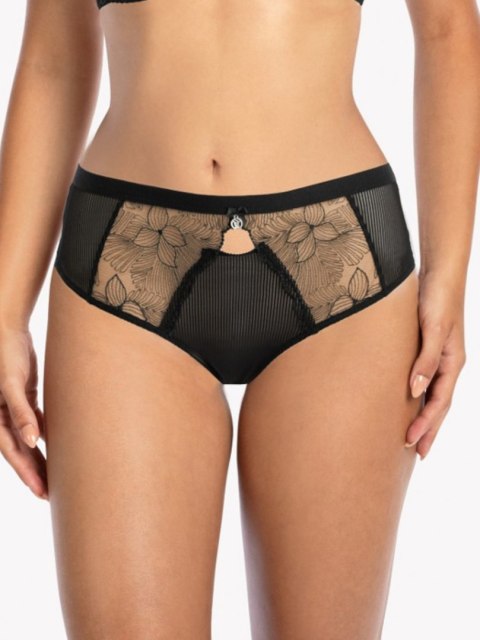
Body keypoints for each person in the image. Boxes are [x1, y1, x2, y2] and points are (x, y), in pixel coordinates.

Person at [0, 0, 478, 637]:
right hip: (126, 263)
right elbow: (53, 59)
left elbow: (447, 26)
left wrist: (449, 280)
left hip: (337, 262)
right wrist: (5, 311)